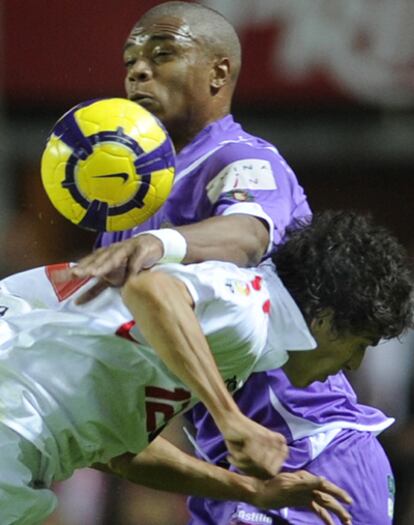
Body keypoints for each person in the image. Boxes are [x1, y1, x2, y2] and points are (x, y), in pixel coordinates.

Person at [62, 2, 410, 524]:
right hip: (234, 471)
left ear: (218, 72)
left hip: (310, 449)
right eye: (130, 59)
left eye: (162, 54)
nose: (138, 70)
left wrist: (161, 245)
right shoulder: (127, 208)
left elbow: (248, 232)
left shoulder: (241, 159)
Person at [1, 210, 412, 525]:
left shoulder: (230, 335)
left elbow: (118, 452)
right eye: (359, 344)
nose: (354, 363)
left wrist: (251, 490)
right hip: (14, 425)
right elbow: (150, 290)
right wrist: (229, 418)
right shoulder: (250, 308)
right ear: (324, 319)